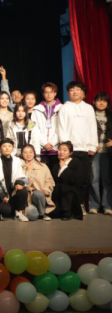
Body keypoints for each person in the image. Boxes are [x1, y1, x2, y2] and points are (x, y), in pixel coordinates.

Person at [57, 81, 97, 213]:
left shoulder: (88, 108)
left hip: (85, 149)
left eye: (77, 89)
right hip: (71, 151)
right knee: (70, 179)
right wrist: (65, 149)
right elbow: (61, 127)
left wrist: (93, 145)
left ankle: (80, 204)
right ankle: (70, 206)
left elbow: (92, 127)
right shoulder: (64, 107)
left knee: (84, 179)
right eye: (72, 90)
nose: (74, 92)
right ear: (68, 93)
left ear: (83, 92)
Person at [0, 139, 29, 222]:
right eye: (4, 146)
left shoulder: (17, 161)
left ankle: (18, 212)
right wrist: (1, 194)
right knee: (7, 210)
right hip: (0, 196)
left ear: (13, 148)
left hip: (12, 193)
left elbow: (21, 175)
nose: (7, 148)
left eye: (9, 146)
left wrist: (19, 183)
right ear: (0, 148)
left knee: (23, 191)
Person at [31, 82, 62, 178]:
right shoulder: (36, 109)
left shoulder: (62, 108)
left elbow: (62, 128)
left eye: (51, 92)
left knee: (56, 176)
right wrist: (44, 143)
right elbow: (33, 128)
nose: (49, 95)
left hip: (56, 149)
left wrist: (52, 143)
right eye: (46, 92)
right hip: (41, 149)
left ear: (55, 93)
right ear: (43, 94)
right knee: (42, 177)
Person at [21, 144, 56, 221]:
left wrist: (46, 189)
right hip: (27, 198)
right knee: (32, 215)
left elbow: (49, 180)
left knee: (38, 194)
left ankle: (43, 213)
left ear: (34, 153)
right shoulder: (19, 167)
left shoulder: (43, 166)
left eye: (30, 152)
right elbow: (22, 183)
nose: (28, 154)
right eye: (25, 152)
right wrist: (29, 171)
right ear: (22, 154)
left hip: (40, 196)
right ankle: (40, 211)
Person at [51, 141, 84, 220]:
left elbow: (75, 179)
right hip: (57, 191)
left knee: (65, 189)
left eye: (65, 150)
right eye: (60, 150)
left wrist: (64, 167)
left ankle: (67, 212)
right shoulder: (55, 163)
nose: (61, 152)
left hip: (71, 191)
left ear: (70, 153)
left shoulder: (76, 162)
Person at [90, 92, 112, 215]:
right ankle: (94, 205)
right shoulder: (90, 115)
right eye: (99, 100)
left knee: (107, 179)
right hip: (95, 152)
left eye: (104, 100)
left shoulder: (111, 116)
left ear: (107, 103)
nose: (101, 103)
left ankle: (107, 205)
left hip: (108, 152)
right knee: (94, 179)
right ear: (94, 102)